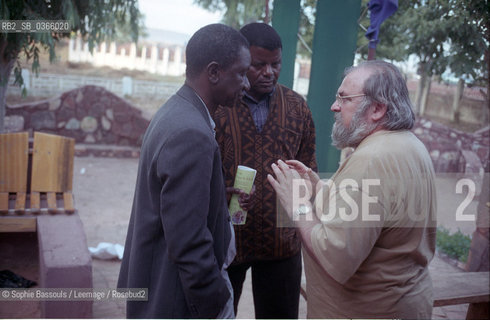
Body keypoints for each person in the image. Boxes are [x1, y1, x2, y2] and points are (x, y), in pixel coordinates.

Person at [268, 60, 437, 319]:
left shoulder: (372, 160)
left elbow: (336, 257)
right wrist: (319, 186)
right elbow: (374, 216)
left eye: (345, 99)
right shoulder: (409, 145)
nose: (334, 106)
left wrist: (298, 205)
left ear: (378, 109)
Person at [117, 24, 251, 319]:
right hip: (176, 297)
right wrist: (214, 298)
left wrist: (215, 199)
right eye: (241, 73)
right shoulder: (191, 132)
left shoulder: (176, 112)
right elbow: (188, 240)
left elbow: (173, 204)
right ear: (214, 72)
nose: (247, 84)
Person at [213, 22, 317, 318]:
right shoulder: (219, 106)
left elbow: (309, 168)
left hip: (281, 245)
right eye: (259, 65)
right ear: (242, 61)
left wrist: (303, 225)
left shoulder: (298, 107)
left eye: (276, 64)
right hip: (227, 241)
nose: (269, 72)